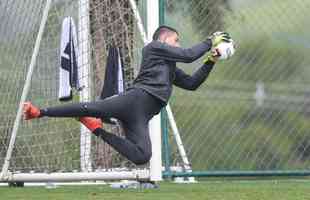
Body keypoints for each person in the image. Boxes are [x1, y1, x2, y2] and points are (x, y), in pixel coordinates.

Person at [23, 26, 231, 165]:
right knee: (90, 107)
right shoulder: (154, 48)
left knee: (142, 156)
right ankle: (39, 112)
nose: (178, 45)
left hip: (141, 117)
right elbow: (188, 55)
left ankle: (95, 128)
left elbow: (192, 83)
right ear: (164, 39)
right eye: (176, 40)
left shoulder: (170, 67)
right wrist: (210, 40)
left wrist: (210, 61)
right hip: (134, 100)